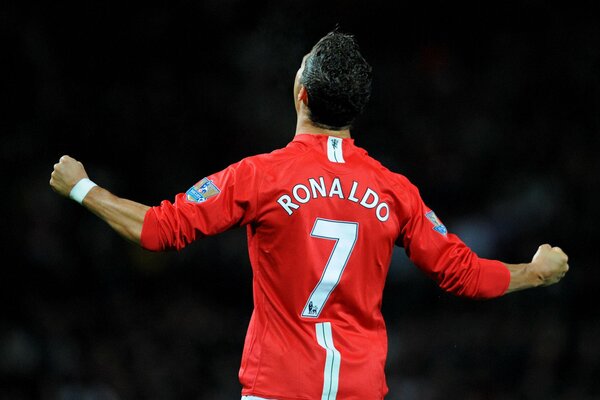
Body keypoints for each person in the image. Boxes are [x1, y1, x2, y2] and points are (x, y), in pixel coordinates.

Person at [49, 31, 569, 400]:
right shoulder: (394, 191)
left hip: (278, 389)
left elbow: (158, 230)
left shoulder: (259, 176)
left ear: (300, 94)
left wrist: (81, 188)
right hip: (360, 392)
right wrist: (536, 272)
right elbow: (464, 274)